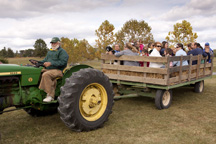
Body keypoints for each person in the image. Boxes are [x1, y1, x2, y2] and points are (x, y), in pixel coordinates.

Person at [38, 37, 69, 102]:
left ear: (58, 43)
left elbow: (63, 62)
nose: (53, 44)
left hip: (59, 70)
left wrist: (51, 63)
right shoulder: (50, 52)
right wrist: (38, 62)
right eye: (52, 43)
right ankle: (41, 91)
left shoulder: (62, 52)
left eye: (55, 43)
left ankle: (50, 96)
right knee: (38, 72)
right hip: (49, 70)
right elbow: (45, 60)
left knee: (46, 75)